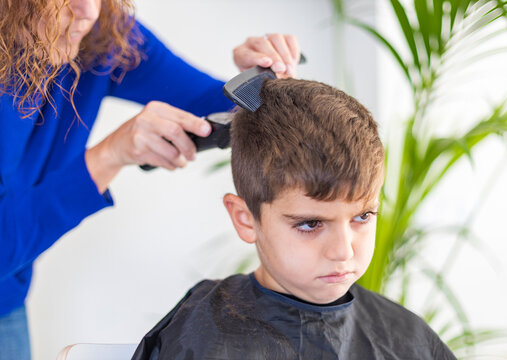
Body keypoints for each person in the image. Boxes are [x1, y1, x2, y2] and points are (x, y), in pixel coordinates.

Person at [0, 0, 301, 359]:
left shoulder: (98, 35)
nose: (87, 10)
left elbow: (214, 110)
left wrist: (259, 81)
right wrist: (108, 156)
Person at [131, 78, 457, 359]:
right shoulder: (204, 331)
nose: (343, 251)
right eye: (310, 224)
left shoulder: (406, 336)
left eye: (362, 216)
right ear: (246, 219)